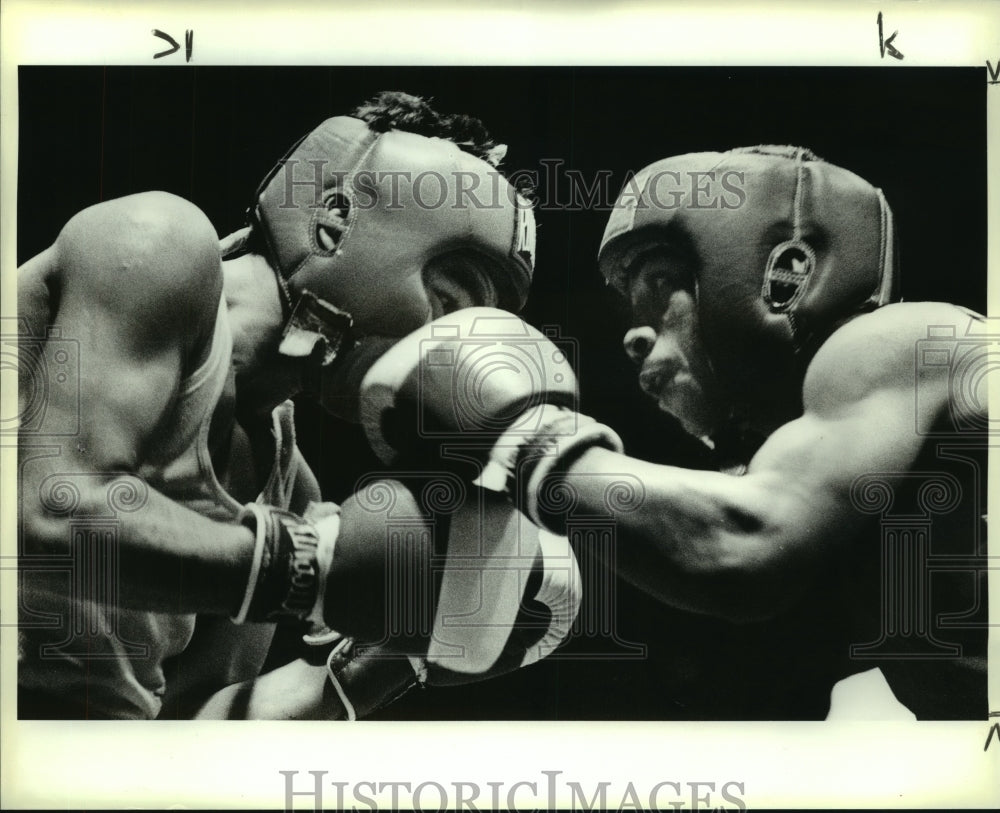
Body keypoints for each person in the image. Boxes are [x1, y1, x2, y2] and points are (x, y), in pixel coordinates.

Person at [16, 91, 585, 720]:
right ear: (335, 220)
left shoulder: (287, 485)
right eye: (450, 303)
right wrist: (307, 571)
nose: (450, 349)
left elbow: (187, 721)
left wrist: (387, 657)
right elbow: (53, 517)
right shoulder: (155, 241)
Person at [517, 145, 986, 719]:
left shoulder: (906, 340)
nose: (632, 338)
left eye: (662, 280)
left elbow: (742, 551)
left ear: (781, 275)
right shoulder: (844, 464)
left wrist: (517, 440)